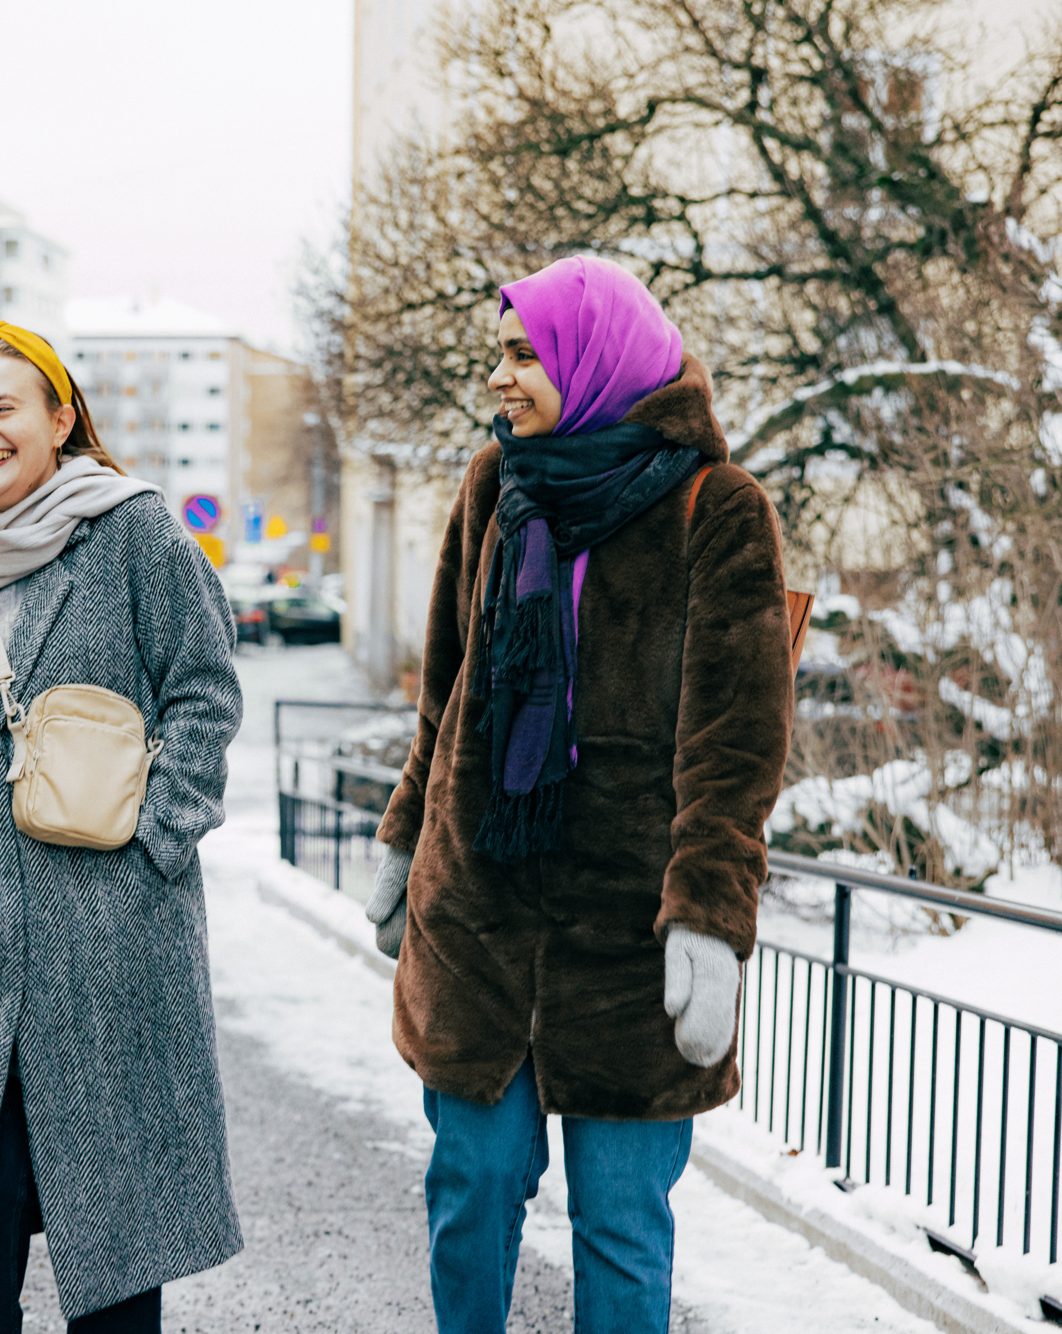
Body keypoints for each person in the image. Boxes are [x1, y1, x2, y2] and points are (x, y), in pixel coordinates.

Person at [362, 256, 792, 1333]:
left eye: (523, 354)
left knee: (619, 1224)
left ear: (588, 358)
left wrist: (708, 916)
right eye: (497, 355)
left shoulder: (716, 508)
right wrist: (404, 836)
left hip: (628, 929)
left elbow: (736, 741)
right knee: (469, 1191)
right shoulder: (493, 484)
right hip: (478, 910)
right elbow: (447, 684)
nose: (498, 378)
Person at [0, 319, 244, 1332]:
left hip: (114, 949)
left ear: (60, 419)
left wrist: (158, 839)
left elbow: (204, 688)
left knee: (117, 1259)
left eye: (3, 407)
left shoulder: (135, 534)